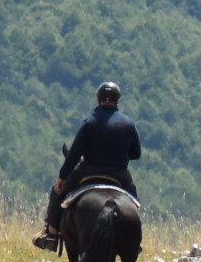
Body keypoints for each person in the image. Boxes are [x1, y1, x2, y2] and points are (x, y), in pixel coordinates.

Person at [34, 81, 140, 251]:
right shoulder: (128, 123)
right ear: (117, 100)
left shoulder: (89, 122)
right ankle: (134, 238)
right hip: (120, 173)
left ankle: (52, 235)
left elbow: (74, 153)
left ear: (99, 99)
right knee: (133, 201)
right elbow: (136, 154)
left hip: (89, 169)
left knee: (57, 194)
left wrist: (62, 177)